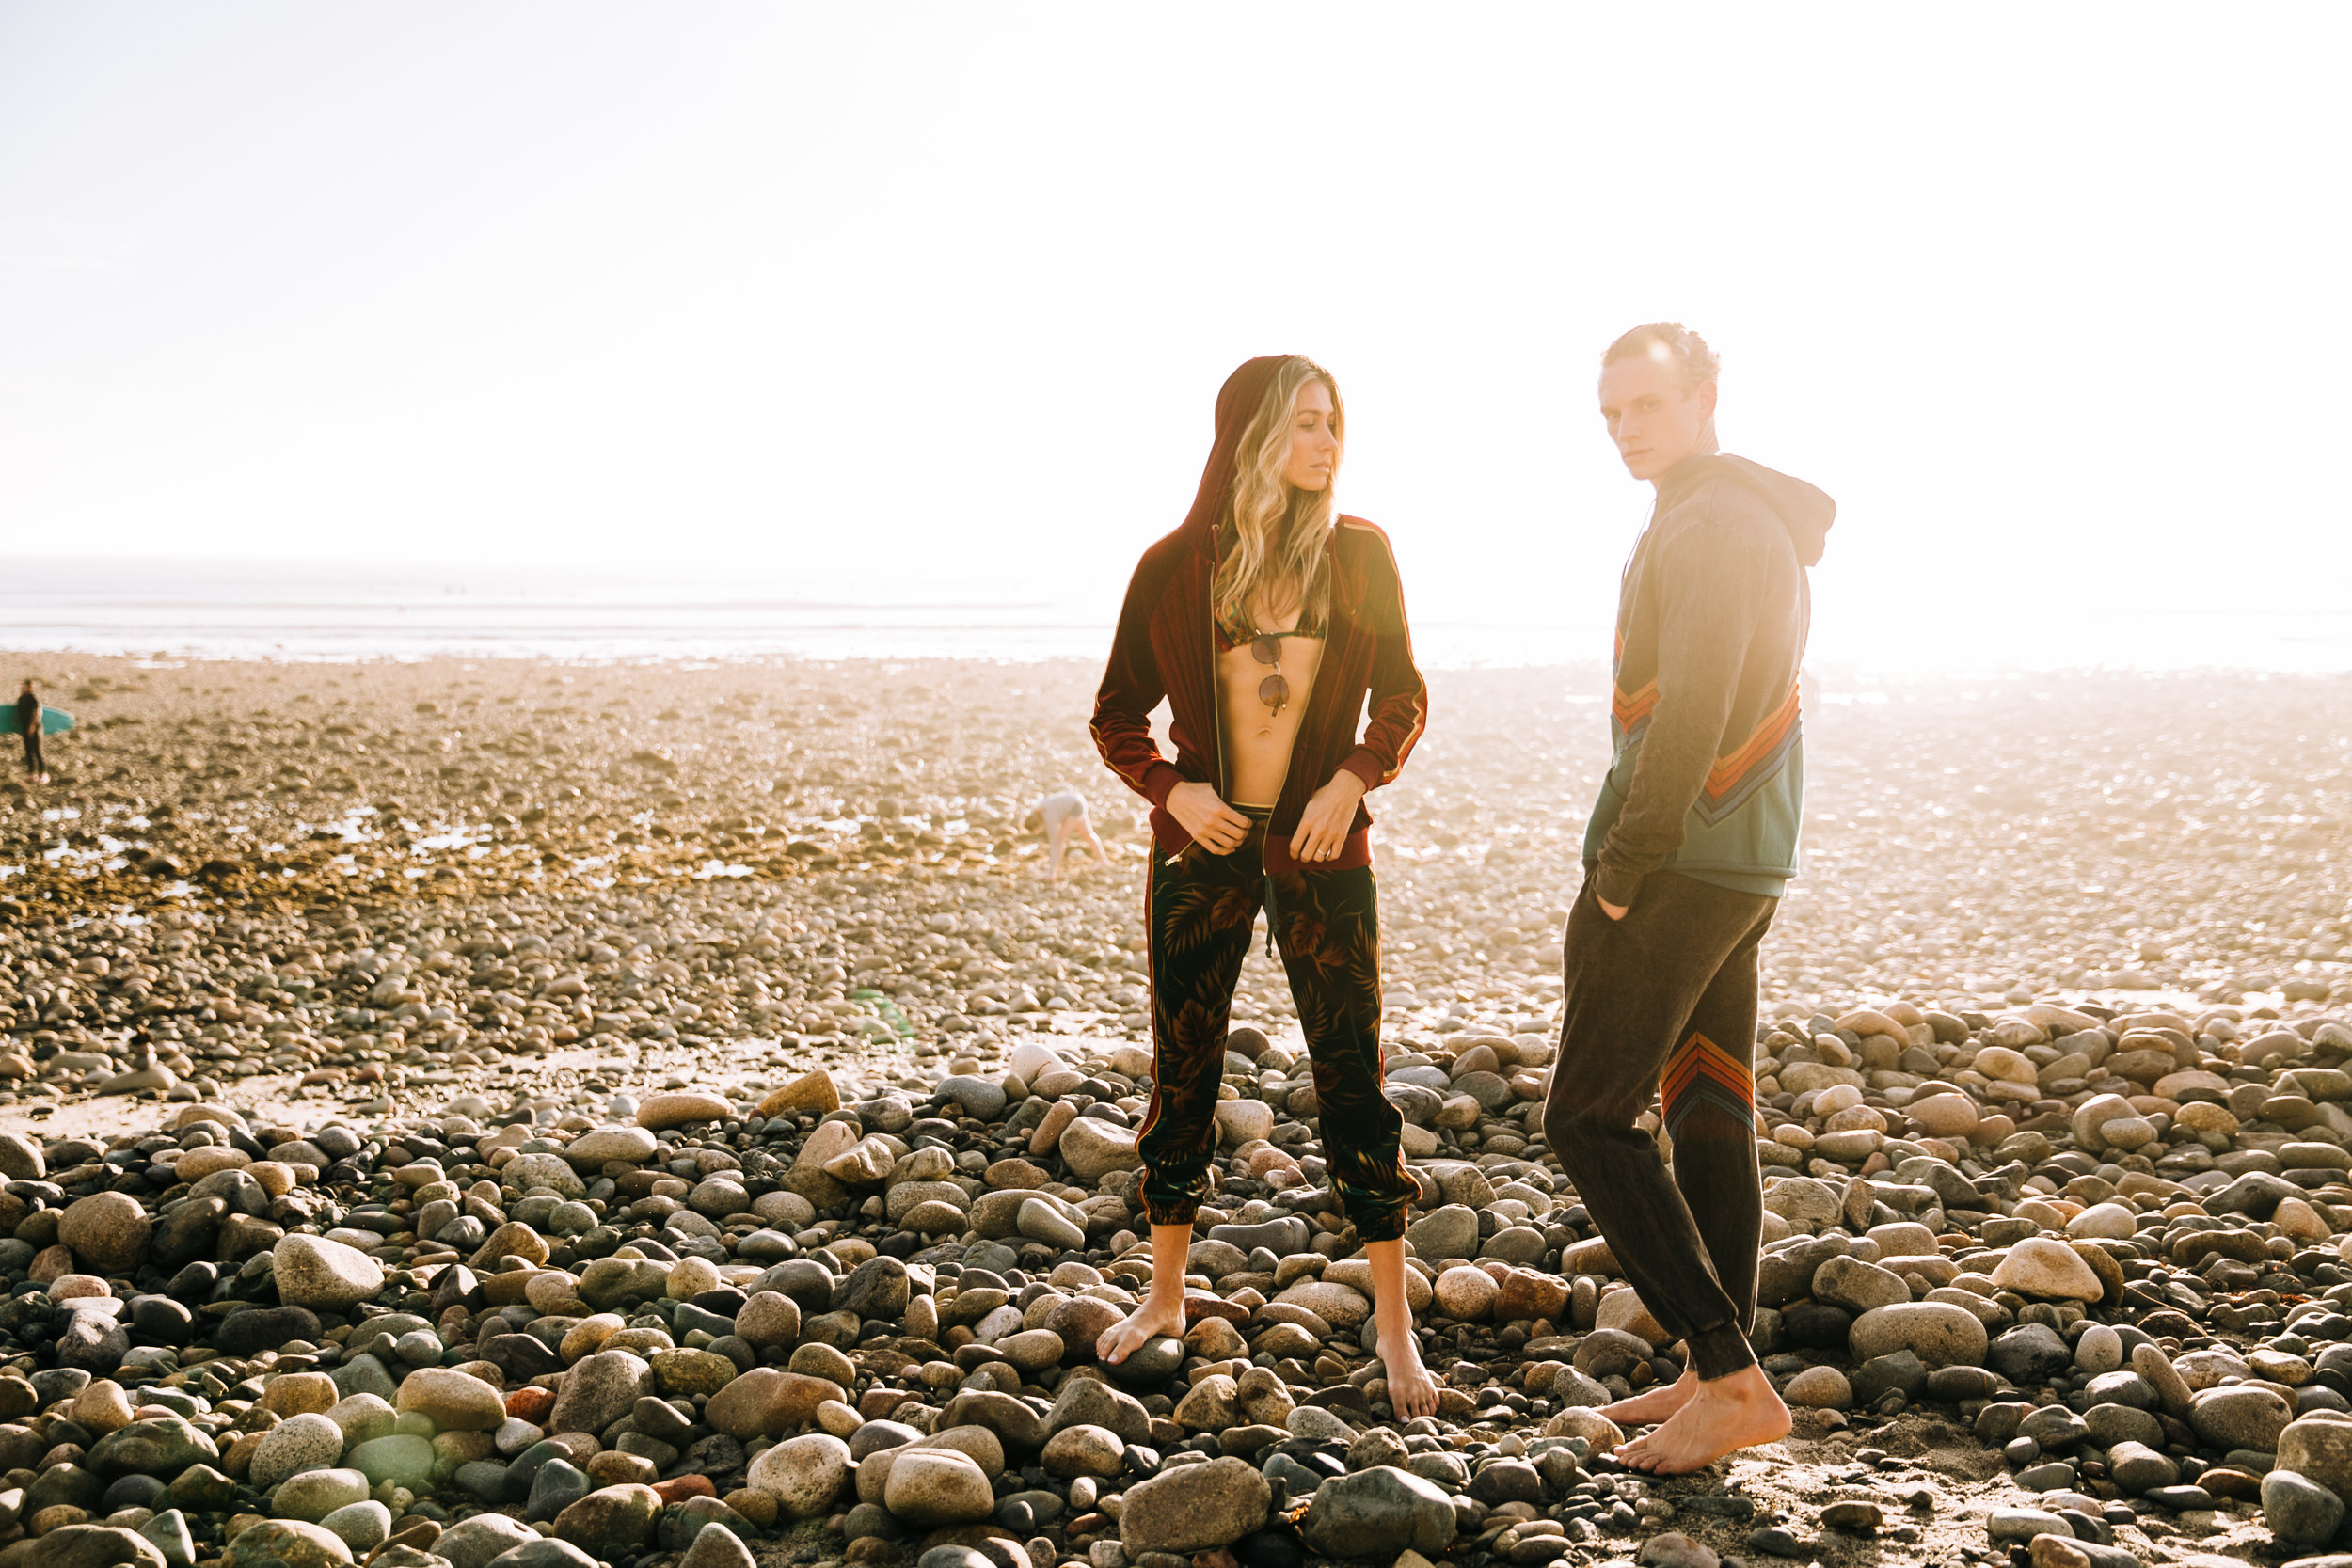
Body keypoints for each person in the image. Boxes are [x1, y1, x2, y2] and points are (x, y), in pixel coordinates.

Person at [1089, 354, 1438, 1418]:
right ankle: (1164, 1293)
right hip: (1201, 853)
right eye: (1302, 425)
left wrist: (1353, 775)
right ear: (1247, 437)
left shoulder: (1361, 554)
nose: (1326, 443)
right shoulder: (1172, 566)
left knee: (1350, 1068)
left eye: (1333, 423)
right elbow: (1114, 712)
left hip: (1326, 850)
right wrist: (1170, 790)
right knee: (1182, 1061)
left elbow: (1403, 697)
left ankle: (1393, 1320)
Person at [1542, 324, 1835, 1473]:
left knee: (1587, 1114)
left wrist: (1623, 865)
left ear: (1705, 397)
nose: (1626, 428)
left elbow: (1696, 705)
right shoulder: (1726, 513)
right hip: (1744, 853)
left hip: (1684, 855)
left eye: (1646, 405)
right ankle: (1714, 1371)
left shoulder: (1711, 524)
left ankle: (1724, 1373)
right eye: (1610, 412)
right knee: (1707, 1096)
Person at [1024, 789, 1109, 881]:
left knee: (1060, 840)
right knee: (1087, 834)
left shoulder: (1048, 817)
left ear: (1037, 825)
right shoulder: (1036, 811)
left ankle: (1052, 873)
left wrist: (1051, 870)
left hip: (1075, 807)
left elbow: (1054, 843)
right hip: (1077, 799)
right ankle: (1103, 861)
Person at [15, 681, 44, 784]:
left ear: (30, 688)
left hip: (35, 728)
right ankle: (32, 773)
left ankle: (42, 774)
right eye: (22, 686)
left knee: (37, 751)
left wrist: (32, 726)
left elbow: (37, 713)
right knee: (28, 751)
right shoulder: (21, 699)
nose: (22, 688)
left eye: (24, 687)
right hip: (25, 727)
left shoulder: (33, 699)